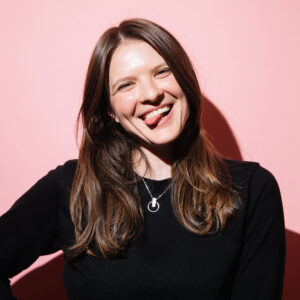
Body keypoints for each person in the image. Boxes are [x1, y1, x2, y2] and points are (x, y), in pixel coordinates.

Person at [0, 18, 285, 300]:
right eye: (126, 85)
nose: (151, 94)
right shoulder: (72, 187)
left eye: (162, 72)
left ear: (185, 80)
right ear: (109, 110)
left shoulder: (252, 190)